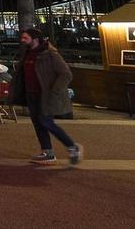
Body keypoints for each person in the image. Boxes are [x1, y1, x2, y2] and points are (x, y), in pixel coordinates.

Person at [10, 29, 82, 166]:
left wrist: (54, 91)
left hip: (45, 96)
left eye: (25, 37)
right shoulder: (27, 53)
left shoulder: (50, 54)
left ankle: (72, 147)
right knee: (38, 123)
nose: (22, 40)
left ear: (35, 38)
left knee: (46, 122)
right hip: (31, 95)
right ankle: (47, 152)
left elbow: (66, 74)